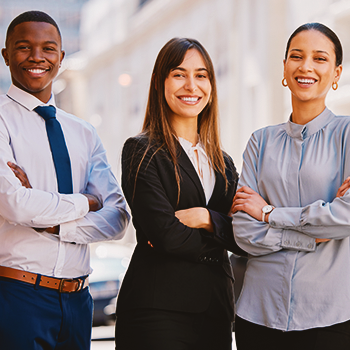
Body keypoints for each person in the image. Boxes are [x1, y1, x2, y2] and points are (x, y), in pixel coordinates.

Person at [0, 10, 130, 350]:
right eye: (24, 47)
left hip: (78, 300)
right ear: (6, 55)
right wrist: (85, 202)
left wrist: (53, 224)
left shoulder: (83, 132)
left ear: (61, 57)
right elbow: (15, 203)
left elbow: (117, 217)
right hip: (17, 296)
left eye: (48, 48)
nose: (37, 57)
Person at [115, 37, 245, 350]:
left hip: (215, 310)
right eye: (179, 74)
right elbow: (165, 235)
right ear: (159, 83)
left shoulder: (222, 162)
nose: (191, 85)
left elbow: (244, 232)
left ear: (211, 86)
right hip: (158, 313)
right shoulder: (142, 151)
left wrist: (206, 219)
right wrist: (222, 232)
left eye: (201, 75)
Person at [231, 22, 350, 349]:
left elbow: (348, 215)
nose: (306, 66)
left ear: (336, 72)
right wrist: (317, 233)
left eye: (320, 58)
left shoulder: (347, 134)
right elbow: (243, 230)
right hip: (258, 313)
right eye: (297, 56)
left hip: (330, 316)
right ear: (284, 67)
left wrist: (269, 213)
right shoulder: (260, 141)